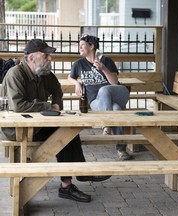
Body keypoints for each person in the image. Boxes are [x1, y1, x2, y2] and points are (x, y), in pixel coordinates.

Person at [0, 38, 111, 203]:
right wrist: (48, 106)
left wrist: (57, 103)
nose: (50, 59)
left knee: (68, 131)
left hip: (38, 125)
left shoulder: (43, 73)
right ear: (31, 58)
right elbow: (19, 106)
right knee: (64, 133)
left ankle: (70, 182)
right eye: (46, 56)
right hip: (18, 130)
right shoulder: (15, 74)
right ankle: (77, 176)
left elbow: (57, 89)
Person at [68, 35, 133, 160]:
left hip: (117, 93)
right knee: (116, 110)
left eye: (82, 44)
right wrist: (77, 83)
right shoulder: (79, 64)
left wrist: (103, 68)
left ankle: (106, 124)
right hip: (96, 101)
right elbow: (70, 77)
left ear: (91, 46)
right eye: (79, 45)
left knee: (104, 89)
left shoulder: (106, 61)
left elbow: (114, 82)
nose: (79, 47)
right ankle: (121, 150)